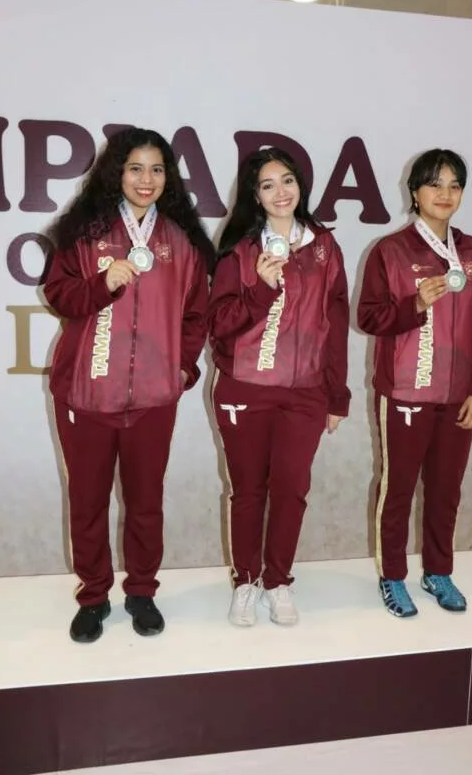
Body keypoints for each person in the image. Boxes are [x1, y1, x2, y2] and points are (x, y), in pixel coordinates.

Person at [45, 127, 215, 642]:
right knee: (88, 503)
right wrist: (103, 283)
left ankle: (141, 591)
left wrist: (182, 369)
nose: (147, 179)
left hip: (152, 401)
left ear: (169, 178)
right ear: (116, 173)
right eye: (136, 168)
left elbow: (197, 316)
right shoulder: (84, 233)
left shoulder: (181, 242)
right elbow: (60, 297)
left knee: (145, 504)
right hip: (87, 395)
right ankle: (93, 596)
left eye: (157, 169)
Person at [208, 147, 350, 627]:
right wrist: (260, 289)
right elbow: (218, 325)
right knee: (248, 491)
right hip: (244, 389)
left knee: (291, 489)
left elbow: (336, 324)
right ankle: (245, 582)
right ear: (255, 196)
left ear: (300, 186)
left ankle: (278, 581)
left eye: (287, 180)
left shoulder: (324, 247)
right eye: (267, 185)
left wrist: (337, 393)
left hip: (305, 391)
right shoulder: (239, 250)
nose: (280, 192)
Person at [358, 148, 472, 618]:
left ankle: (438, 571)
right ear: (415, 192)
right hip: (405, 393)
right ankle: (392, 576)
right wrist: (414, 305)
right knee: (397, 489)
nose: (445, 193)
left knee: (446, 490)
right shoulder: (390, 252)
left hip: (458, 397)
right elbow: (369, 317)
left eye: (454, 185)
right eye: (434, 184)